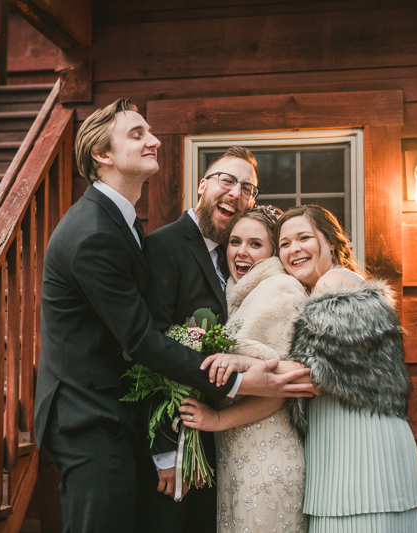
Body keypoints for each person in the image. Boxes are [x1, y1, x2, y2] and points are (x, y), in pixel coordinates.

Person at [33, 98, 315, 533]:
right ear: (201, 186)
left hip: (202, 435)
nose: (155, 140)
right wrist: (170, 447)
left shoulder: (134, 228)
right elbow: (145, 340)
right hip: (97, 416)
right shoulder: (107, 236)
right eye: (138, 134)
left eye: (248, 189)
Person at [277, 205, 417, 532]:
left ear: (330, 242)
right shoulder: (343, 284)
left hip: (357, 454)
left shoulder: (332, 283)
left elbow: (311, 376)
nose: (293, 249)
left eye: (304, 237)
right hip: (358, 448)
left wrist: (237, 368)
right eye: (284, 244)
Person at [138, 147, 261, 533]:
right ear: (202, 185)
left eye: (247, 188)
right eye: (227, 180)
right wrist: (165, 453)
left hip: (216, 437)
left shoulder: (231, 258)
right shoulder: (163, 246)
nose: (236, 193)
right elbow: (149, 347)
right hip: (176, 442)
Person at [179, 206, 308, 533]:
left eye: (255, 244)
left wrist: (217, 419)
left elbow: (279, 388)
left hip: (267, 457)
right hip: (238, 456)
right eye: (235, 242)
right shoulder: (240, 294)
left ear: (272, 252)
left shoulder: (279, 290)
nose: (241, 252)